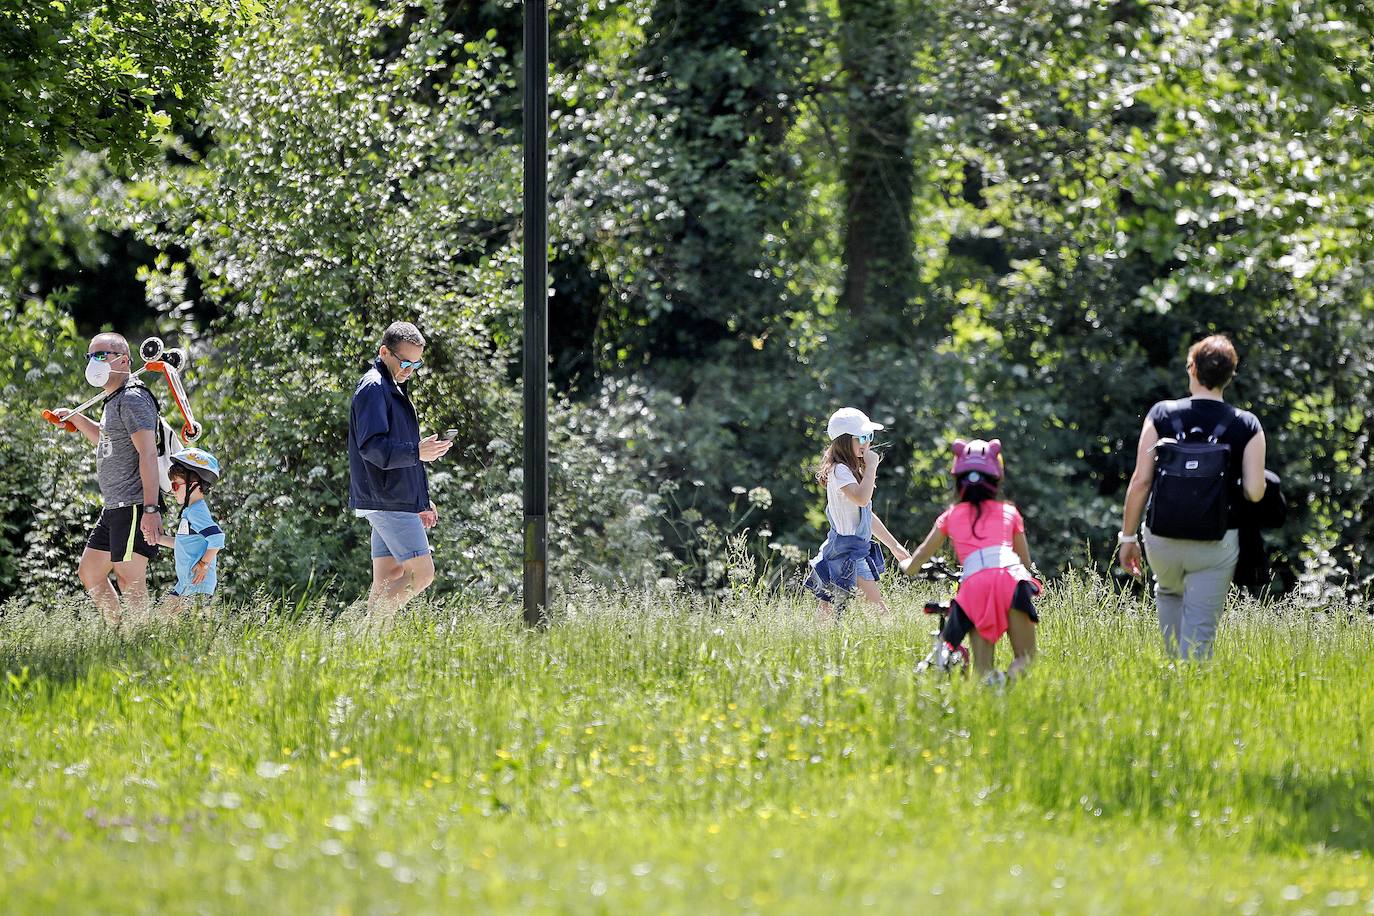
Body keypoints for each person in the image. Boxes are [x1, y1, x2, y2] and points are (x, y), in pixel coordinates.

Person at [1117, 335, 1267, 660]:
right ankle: (1192, 685)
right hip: (1215, 543)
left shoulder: (1161, 415)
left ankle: (1173, 677)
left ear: (1192, 368)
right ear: (1230, 375)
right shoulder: (1247, 425)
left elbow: (1141, 481)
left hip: (1161, 539)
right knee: (1199, 635)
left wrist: (1127, 537)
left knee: (1169, 592)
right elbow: (1255, 492)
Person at [899, 439, 1041, 683]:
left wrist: (907, 567)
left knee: (981, 669)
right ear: (997, 478)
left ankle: (989, 688)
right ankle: (1005, 682)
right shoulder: (1009, 512)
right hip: (1011, 579)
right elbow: (1025, 562)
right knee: (1025, 657)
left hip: (975, 586)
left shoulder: (950, 516)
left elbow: (922, 554)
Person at [48, 333, 164, 625]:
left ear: (124, 360)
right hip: (114, 506)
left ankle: (143, 642)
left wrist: (151, 510)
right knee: (89, 572)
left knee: (129, 579)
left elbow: (148, 454)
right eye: (91, 356)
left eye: (102, 355)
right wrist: (76, 419)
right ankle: (121, 634)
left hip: (135, 504)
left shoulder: (133, 398)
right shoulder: (113, 400)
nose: (94, 361)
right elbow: (106, 440)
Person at [348, 321, 451, 621]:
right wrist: (418, 451)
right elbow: (372, 447)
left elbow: (402, 453)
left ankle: (367, 648)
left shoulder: (391, 386)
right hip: (386, 497)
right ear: (384, 352)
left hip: (391, 497)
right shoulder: (374, 387)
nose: (409, 370)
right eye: (405, 362)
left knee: (387, 576)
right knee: (422, 574)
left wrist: (420, 499)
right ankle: (362, 632)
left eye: (416, 363)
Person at [804, 407, 911, 617]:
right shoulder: (839, 470)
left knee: (829, 609)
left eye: (869, 436)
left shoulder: (851, 470)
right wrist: (872, 467)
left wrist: (894, 546)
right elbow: (862, 499)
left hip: (850, 549)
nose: (867, 442)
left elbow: (864, 515)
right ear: (844, 441)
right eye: (861, 437)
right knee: (878, 613)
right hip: (846, 551)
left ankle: (816, 643)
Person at [156, 448, 225, 609]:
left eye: (175, 485)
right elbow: (184, 543)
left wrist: (203, 564)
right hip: (186, 584)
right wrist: (158, 539)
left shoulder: (196, 511)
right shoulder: (191, 511)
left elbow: (217, 538)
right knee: (164, 623)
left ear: (192, 486)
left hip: (197, 585)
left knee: (195, 631)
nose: (172, 491)